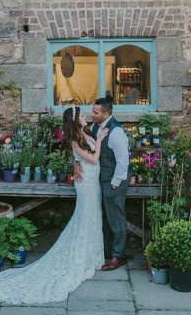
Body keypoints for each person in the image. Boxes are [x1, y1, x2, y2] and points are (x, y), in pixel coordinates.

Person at [0, 105, 108, 305]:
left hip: (93, 183)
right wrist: (98, 142)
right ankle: (80, 257)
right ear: (75, 120)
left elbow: (84, 158)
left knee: (93, 216)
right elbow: (93, 158)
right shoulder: (76, 140)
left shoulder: (85, 132)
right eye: (82, 115)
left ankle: (91, 256)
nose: (86, 117)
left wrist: (81, 156)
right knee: (85, 217)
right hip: (87, 186)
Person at [75, 97, 130, 271]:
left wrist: (114, 184)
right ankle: (106, 250)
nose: (92, 114)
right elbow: (84, 148)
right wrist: (76, 162)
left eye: (95, 112)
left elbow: (123, 162)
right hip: (101, 178)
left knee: (116, 216)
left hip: (115, 178)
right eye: (92, 111)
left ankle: (118, 256)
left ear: (106, 113)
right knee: (105, 215)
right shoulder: (93, 128)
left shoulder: (116, 132)